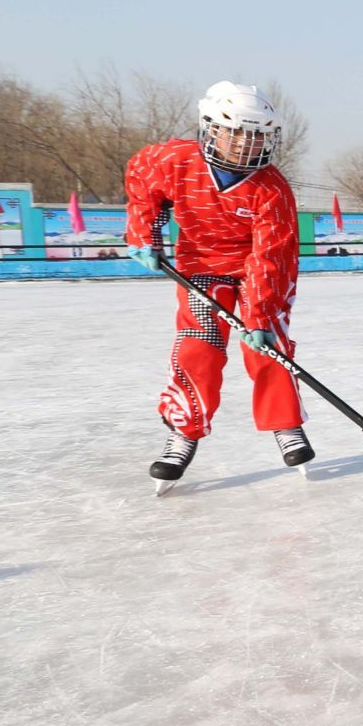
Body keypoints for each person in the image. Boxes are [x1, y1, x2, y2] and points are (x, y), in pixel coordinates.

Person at [123, 82, 309, 488]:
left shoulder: (271, 189)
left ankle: (286, 424)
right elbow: (141, 178)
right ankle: (183, 431)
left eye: (258, 135)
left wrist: (258, 316)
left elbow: (269, 256)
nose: (247, 144)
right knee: (199, 345)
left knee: (269, 344)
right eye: (238, 133)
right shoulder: (173, 160)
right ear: (213, 129)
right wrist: (145, 232)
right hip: (202, 264)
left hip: (262, 269)